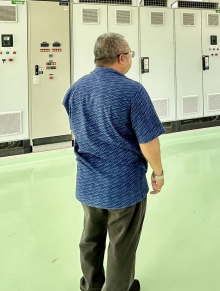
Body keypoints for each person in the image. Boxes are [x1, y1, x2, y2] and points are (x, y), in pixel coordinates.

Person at [63, 33, 165, 291]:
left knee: (90, 239)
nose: (131, 58)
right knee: (121, 245)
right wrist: (158, 173)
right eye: (130, 54)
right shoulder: (133, 91)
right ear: (121, 58)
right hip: (124, 186)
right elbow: (148, 142)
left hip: (88, 182)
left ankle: (91, 286)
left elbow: (78, 132)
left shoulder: (76, 89)